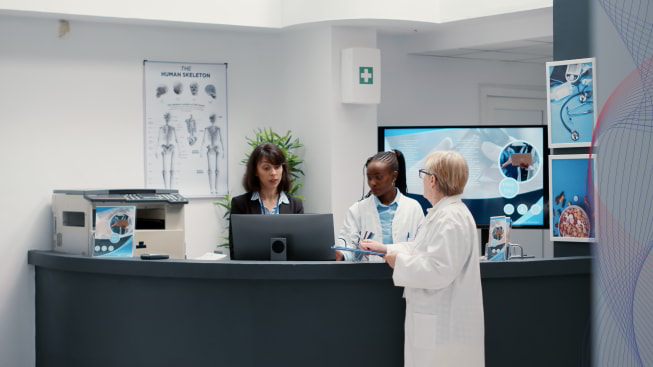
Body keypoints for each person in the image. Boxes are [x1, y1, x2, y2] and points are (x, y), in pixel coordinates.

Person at [361, 151, 485, 367]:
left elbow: (439, 270)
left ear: (433, 179)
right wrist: (386, 248)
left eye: (423, 174)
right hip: (436, 321)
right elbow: (421, 247)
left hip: (442, 325)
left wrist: (398, 262)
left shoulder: (450, 218)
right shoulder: (444, 213)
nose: (423, 180)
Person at [335, 150, 424, 262]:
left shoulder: (413, 208)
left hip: (405, 275)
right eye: (369, 178)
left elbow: (422, 248)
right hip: (369, 276)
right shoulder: (357, 210)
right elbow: (348, 247)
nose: (373, 183)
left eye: (379, 177)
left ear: (394, 176)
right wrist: (342, 255)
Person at [229, 143, 304, 257]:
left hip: (287, 272)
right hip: (253, 271)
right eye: (266, 168)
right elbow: (235, 251)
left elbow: (300, 249)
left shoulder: (295, 205)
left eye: (277, 167)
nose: (273, 173)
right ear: (255, 171)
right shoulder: (240, 204)